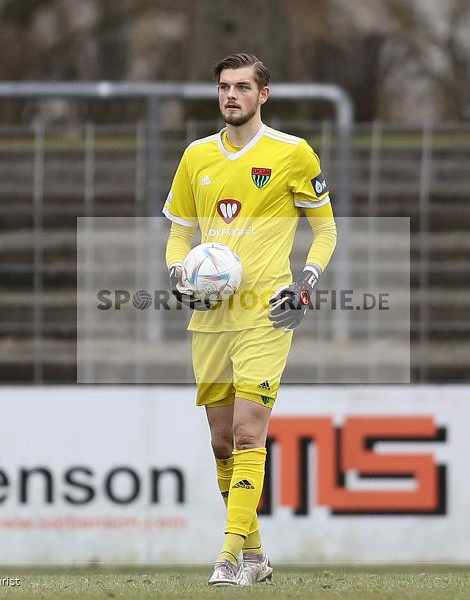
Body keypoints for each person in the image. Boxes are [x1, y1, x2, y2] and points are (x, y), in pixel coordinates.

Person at [162, 52, 337, 586]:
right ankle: (257, 554)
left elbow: (325, 230)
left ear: (264, 94)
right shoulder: (196, 156)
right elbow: (179, 231)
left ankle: (228, 557)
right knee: (220, 441)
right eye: (223, 87)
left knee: (246, 434)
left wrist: (304, 285)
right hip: (212, 317)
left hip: (267, 314)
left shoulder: (292, 153)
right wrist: (177, 274)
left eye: (241, 87)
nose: (230, 95)